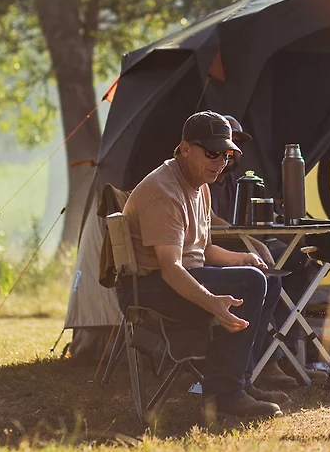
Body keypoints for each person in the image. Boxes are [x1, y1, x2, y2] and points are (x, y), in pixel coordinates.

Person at [116, 111, 287, 419]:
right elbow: (170, 268)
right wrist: (212, 302)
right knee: (251, 282)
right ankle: (225, 393)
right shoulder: (163, 191)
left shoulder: (201, 187)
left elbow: (202, 250)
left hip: (178, 276)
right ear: (184, 148)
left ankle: (240, 382)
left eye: (227, 154)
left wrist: (243, 258)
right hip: (150, 287)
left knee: (266, 277)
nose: (220, 161)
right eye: (212, 152)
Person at [209, 115, 319, 391]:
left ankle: (287, 353)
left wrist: (305, 237)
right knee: (264, 274)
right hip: (218, 253)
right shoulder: (204, 180)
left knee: (299, 260)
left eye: (235, 146)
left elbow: (261, 216)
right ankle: (268, 364)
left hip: (246, 245)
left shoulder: (237, 181)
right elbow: (208, 221)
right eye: (226, 145)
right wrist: (251, 242)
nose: (230, 152)